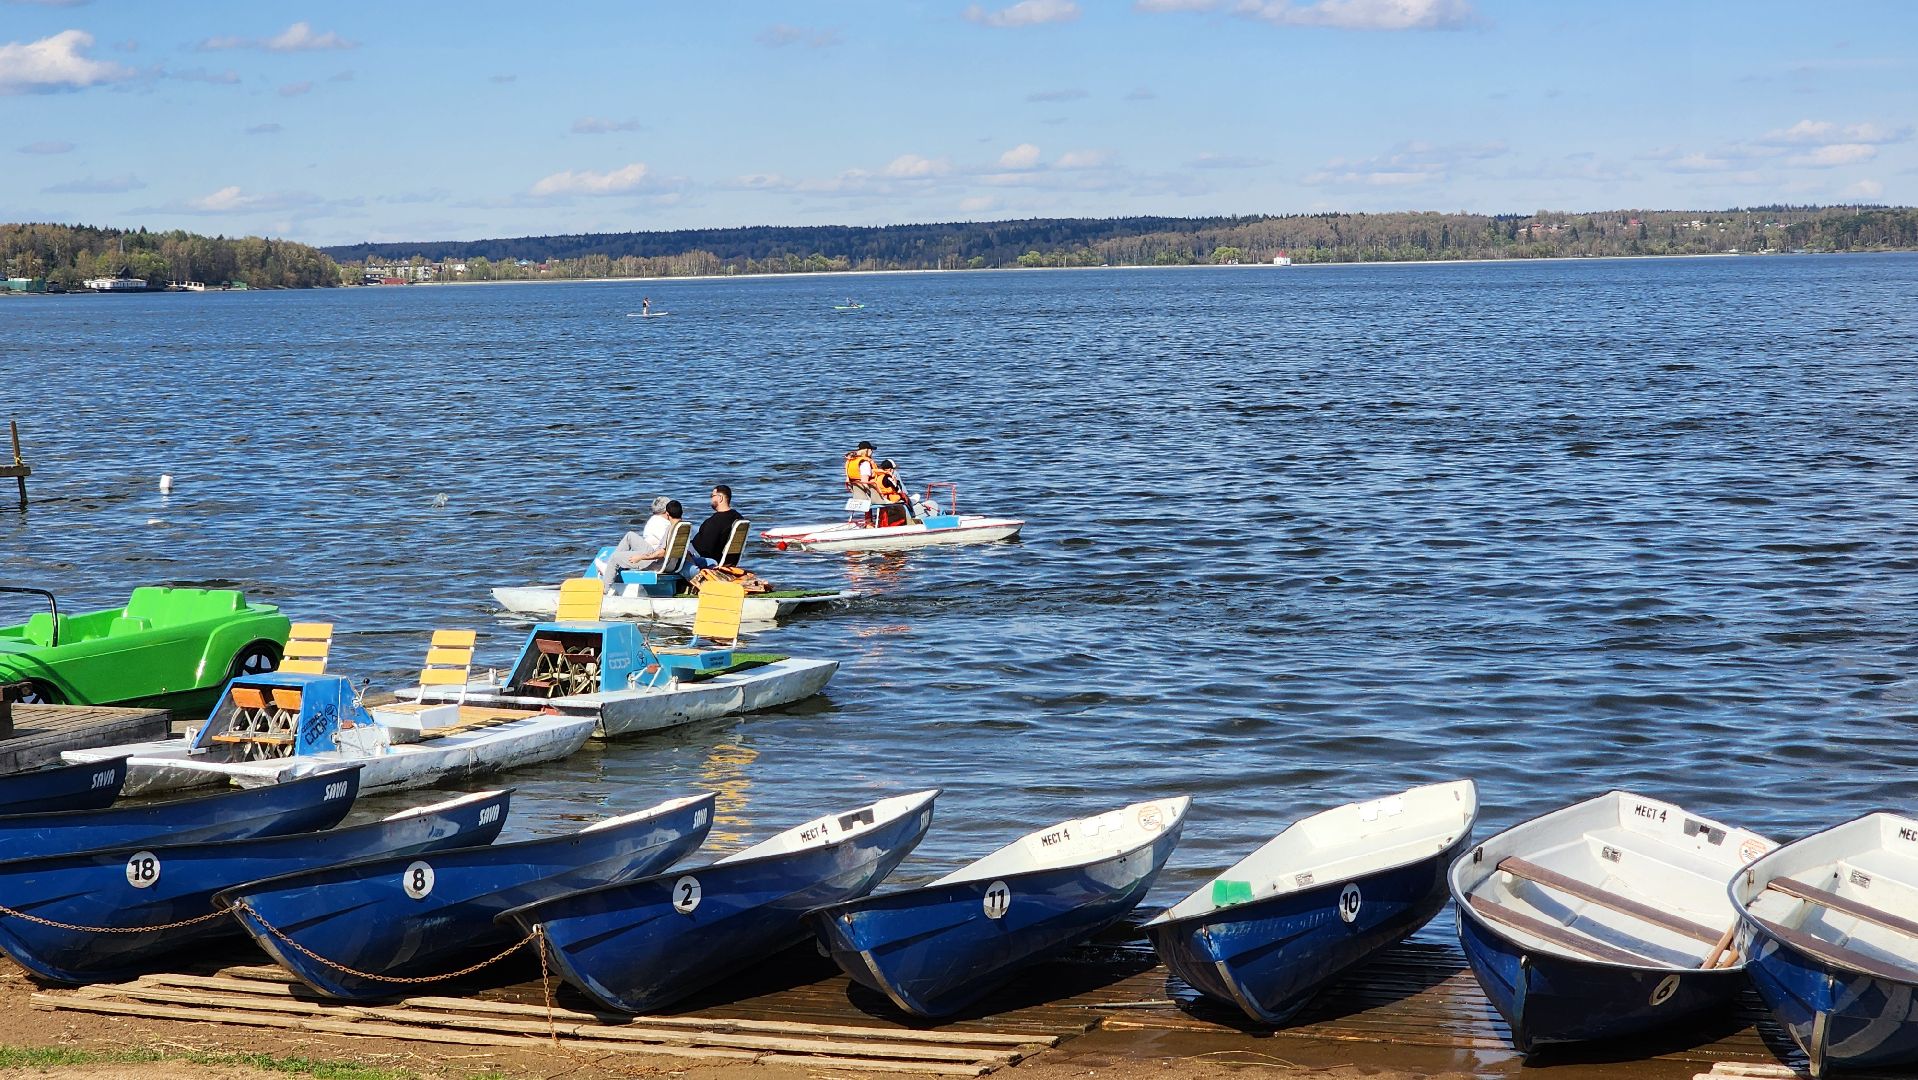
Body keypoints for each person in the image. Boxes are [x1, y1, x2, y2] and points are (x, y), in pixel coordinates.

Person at [609, 496, 676, 578]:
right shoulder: (673, 524)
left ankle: (610, 570)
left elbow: (661, 551)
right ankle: (613, 567)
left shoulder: (657, 523)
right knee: (630, 536)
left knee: (615, 557)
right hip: (666, 561)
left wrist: (640, 557)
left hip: (655, 562)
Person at [690, 485, 744, 566]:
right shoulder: (739, 518)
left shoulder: (714, 522)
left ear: (720, 498)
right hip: (729, 560)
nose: (711, 499)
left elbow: (704, 550)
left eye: (712, 496)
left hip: (711, 561)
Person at [870, 459, 910, 527]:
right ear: (890, 469)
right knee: (906, 501)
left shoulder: (877, 476)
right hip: (890, 498)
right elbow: (897, 489)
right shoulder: (888, 477)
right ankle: (910, 520)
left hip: (880, 498)